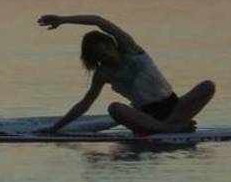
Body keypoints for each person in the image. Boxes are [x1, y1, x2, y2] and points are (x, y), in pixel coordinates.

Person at [38, 13, 215, 134]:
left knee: (207, 86)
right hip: (145, 117)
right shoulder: (103, 74)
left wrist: (63, 20)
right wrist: (55, 128)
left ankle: (169, 126)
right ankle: (169, 128)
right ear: (94, 58)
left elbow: (98, 20)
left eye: (106, 48)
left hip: (175, 107)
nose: (106, 53)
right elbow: (85, 104)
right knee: (115, 108)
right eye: (99, 53)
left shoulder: (131, 50)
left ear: (113, 44)